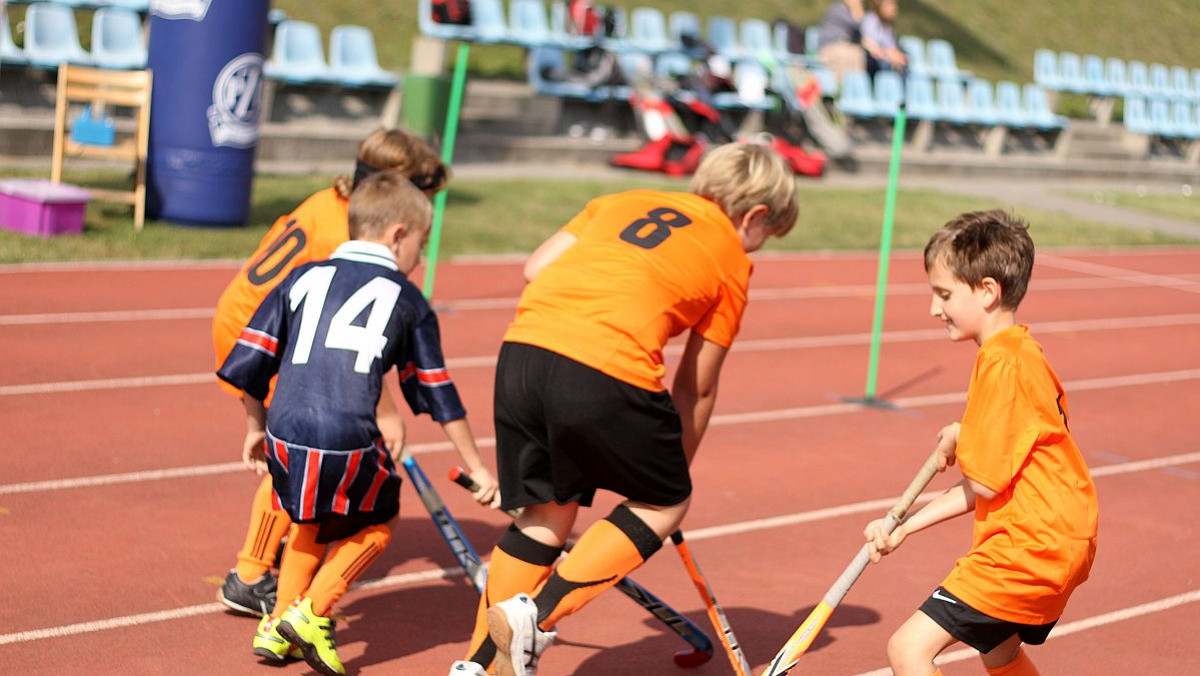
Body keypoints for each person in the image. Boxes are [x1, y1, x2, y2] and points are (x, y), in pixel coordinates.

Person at [448, 141, 801, 676]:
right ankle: (536, 620)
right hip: (605, 365)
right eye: (765, 238)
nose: (757, 249)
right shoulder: (730, 256)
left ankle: (479, 666)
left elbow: (535, 266)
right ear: (754, 215)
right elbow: (696, 387)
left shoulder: (621, 198)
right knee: (663, 502)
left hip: (523, 351)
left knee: (546, 510)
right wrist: (673, 473)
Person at [211, 128, 498, 617]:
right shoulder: (347, 236)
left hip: (256, 319)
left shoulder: (330, 201)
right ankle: (251, 573)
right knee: (302, 447)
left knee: (300, 448)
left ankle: (280, 556)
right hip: (274, 331)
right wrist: (386, 412)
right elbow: (346, 342)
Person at [863, 210, 1099, 676]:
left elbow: (982, 486)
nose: (934, 309)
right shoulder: (1021, 351)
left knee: (907, 650)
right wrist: (965, 434)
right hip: (1060, 539)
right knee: (999, 651)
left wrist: (904, 525)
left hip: (1028, 548)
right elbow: (1018, 440)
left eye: (944, 294)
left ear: (988, 292)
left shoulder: (1000, 365)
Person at [817, 0, 866, 82]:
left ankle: (853, 88)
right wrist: (857, 7)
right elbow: (858, 23)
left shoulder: (847, 9)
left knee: (858, 53)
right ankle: (841, 88)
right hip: (830, 48)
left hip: (846, 48)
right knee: (851, 54)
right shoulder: (838, 8)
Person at [861, 0, 908, 77]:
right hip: (873, 67)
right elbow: (869, 46)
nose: (894, 8)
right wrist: (889, 56)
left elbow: (892, 48)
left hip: (887, 66)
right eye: (890, 4)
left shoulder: (887, 26)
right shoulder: (870, 20)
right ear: (879, 5)